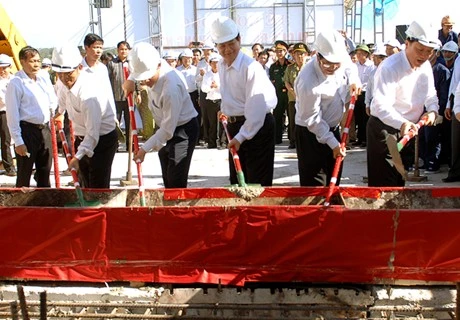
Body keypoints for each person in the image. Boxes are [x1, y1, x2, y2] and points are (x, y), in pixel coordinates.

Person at [367, 21, 439, 187]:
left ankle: (396, 213)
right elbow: (380, 106)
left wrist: (433, 110)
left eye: (429, 51)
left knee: (400, 182)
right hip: (385, 130)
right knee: (384, 186)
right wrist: (402, 123)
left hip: (408, 130)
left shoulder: (426, 66)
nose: (424, 55)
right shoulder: (390, 67)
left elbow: (430, 94)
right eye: (420, 50)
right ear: (407, 43)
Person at [211, 16, 277, 186]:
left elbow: (256, 112)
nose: (227, 50)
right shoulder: (221, 65)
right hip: (236, 126)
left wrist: (240, 137)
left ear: (239, 40)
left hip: (258, 126)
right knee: (238, 183)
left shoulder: (251, 67)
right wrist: (226, 108)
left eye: (230, 43)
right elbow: (229, 91)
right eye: (222, 45)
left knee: (257, 184)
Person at [123, 42, 199, 188]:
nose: (144, 81)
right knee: (165, 163)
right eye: (141, 79)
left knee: (176, 175)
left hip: (183, 129)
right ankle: (168, 204)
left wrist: (144, 149)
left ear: (158, 66)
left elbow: (167, 130)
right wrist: (131, 80)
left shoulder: (171, 88)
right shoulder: (152, 62)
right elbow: (138, 67)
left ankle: (177, 206)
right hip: (165, 125)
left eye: (147, 77)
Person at [294, 31, 360, 186]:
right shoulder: (308, 80)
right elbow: (313, 119)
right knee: (316, 183)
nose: (333, 68)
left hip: (332, 128)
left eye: (336, 64)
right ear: (318, 56)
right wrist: (333, 144)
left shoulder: (338, 58)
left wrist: (353, 81)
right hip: (310, 133)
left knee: (334, 178)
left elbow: (349, 67)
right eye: (328, 64)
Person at [52, 46, 118, 189]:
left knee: (97, 187)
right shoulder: (62, 83)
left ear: (79, 67)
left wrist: (77, 157)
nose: (64, 78)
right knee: (84, 184)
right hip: (82, 138)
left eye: (68, 73)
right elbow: (62, 103)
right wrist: (58, 114)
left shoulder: (89, 93)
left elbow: (93, 134)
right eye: (60, 74)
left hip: (102, 140)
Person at [5, 46, 57, 187]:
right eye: (32, 61)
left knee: (45, 169)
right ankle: (22, 207)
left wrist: (54, 110)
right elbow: (12, 113)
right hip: (27, 131)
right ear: (22, 62)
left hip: (44, 129)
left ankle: (44, 203)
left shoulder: (43, 78)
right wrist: (18, 141)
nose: (36, 65)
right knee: (25, 171)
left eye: (38, 61)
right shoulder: (16, 83)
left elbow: (52, 98)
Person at [420, 40, 457, 172]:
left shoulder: (442, 70)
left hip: (436, 110)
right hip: (423, 109)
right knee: (423, 137)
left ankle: (433, 163)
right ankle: (425, 160)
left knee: (433, 137)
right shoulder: (422, 68)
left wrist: (438, 112)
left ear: (435, 53)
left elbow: (444, 93)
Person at [283, 42, 310, 149]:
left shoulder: (309, 68)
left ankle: (305, 141)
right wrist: (294, 93)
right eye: (297, 54)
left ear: (306, 55)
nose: (300, 56)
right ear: (293, 55)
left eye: (302, 54)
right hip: (293, 99)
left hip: (307, 100)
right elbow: (287, 82)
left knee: (306, 121)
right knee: (293, 121)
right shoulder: (290, 68)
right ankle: (293, 141)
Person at [107, 41, 132, 151]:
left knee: (130, 123)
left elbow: (136, 79)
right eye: (121, 49)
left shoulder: (132, 63)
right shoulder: (111, 63)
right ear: (117, 50)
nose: (123, 51)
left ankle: (130, 146)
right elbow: (107, 81)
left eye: (126, 49)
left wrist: (138, 93)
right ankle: (115, 146)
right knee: (115, 124)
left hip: (130, 99)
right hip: (115, 99)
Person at [201, 53, 226, 149]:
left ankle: (223, 142)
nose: (215, 65)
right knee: (212, 123)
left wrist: (217, 86)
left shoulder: (223, 74)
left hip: (221, 100)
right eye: (213, 63)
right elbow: (204, 88)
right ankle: (212, 142)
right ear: (210, 64)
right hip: (211, 101)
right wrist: (211, 87)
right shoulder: (207, 75)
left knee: (222, 122)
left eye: (217, 63)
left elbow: (226, 87)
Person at [352, 44, 374, 148]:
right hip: (357, 93)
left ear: (366, 54)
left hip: (366, 93)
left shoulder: (371, 66)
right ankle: (360, 138)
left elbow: (369, 83)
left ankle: (366, 139)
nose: (359, 55)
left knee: (365, 117)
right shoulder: (355, 66)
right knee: (358, 117)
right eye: (357, 53)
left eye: (361, 53)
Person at [269, 40, 290, 145]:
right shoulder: (273, 67)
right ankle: (277, 138)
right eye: (277, 51)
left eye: (281, 51)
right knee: (277, 116)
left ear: (286, 52)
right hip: (278, 94)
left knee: (291, 116)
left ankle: (292, 139)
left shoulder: (290, 65)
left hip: (289, 93)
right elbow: (272, 80)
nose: (279, 53)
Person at [176, 48, 200, 134]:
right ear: (181, 59)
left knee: (194, 114)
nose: (187, 60)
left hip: (193, 94)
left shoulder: (195, 69)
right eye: (185, 58)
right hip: (181, 94)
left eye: (189, 58)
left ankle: (195, 135)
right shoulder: (177, 70)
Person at [0, 54, 16, 176]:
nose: (2, 71)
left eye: (4, 68)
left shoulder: (14, 81)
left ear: (10, 67)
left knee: (6, 140)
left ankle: (9, 167)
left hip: (6, 112)